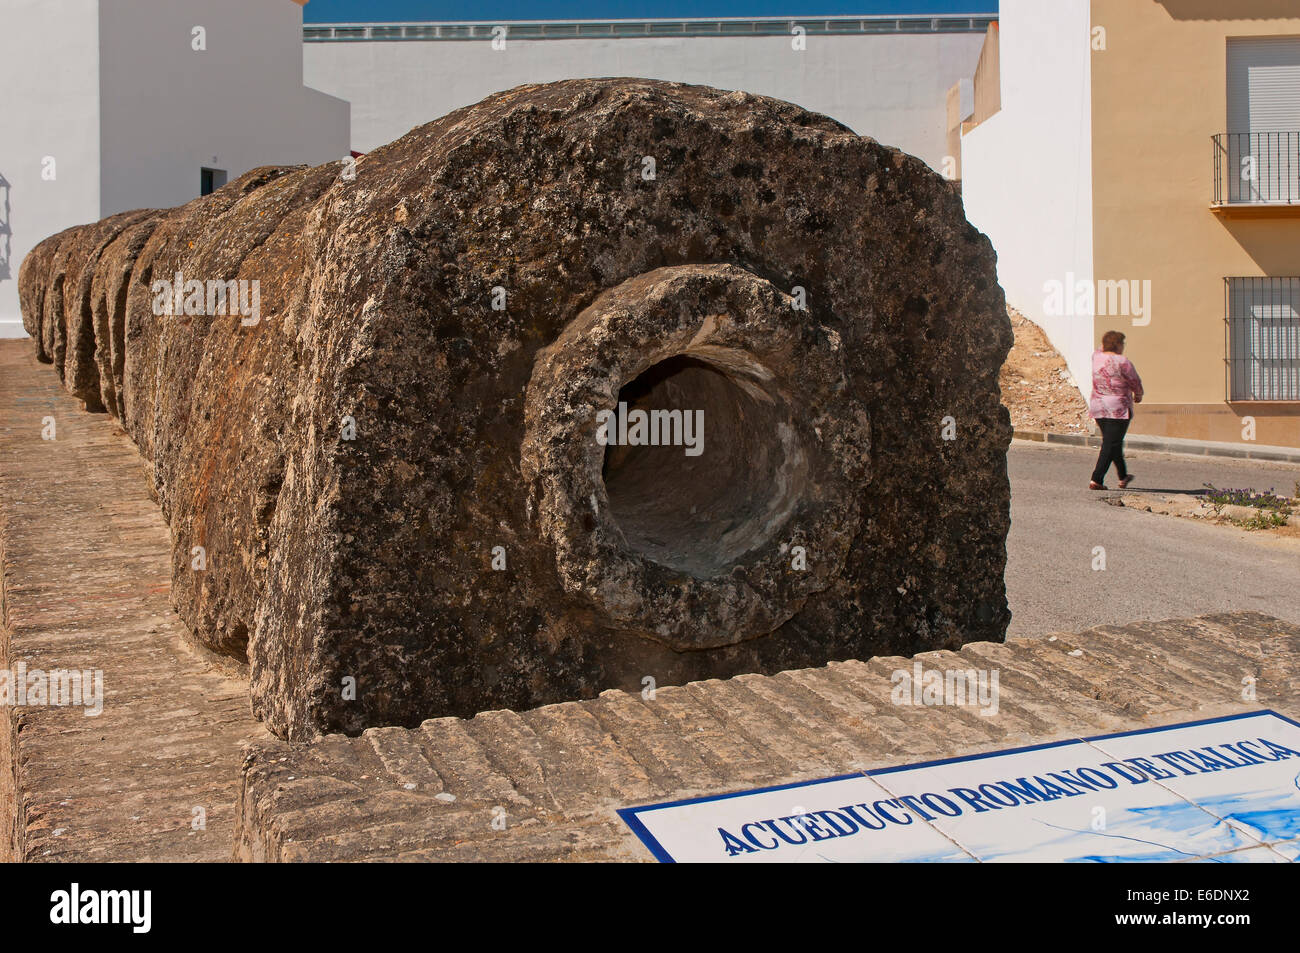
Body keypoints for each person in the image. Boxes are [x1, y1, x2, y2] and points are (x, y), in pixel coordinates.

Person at [1088, 330, 1143, 490]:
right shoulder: (1122, 361)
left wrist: (1106, 344)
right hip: (1117, 409)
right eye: (1122, 343)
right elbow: (1134, 381)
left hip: (1098, 406)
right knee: (1110, 443)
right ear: (1118, 344)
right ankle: (1096, 479)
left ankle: (1123, 476)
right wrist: (1138, 395)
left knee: (1114, 442)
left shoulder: (1096, 357)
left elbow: (1100, 349)